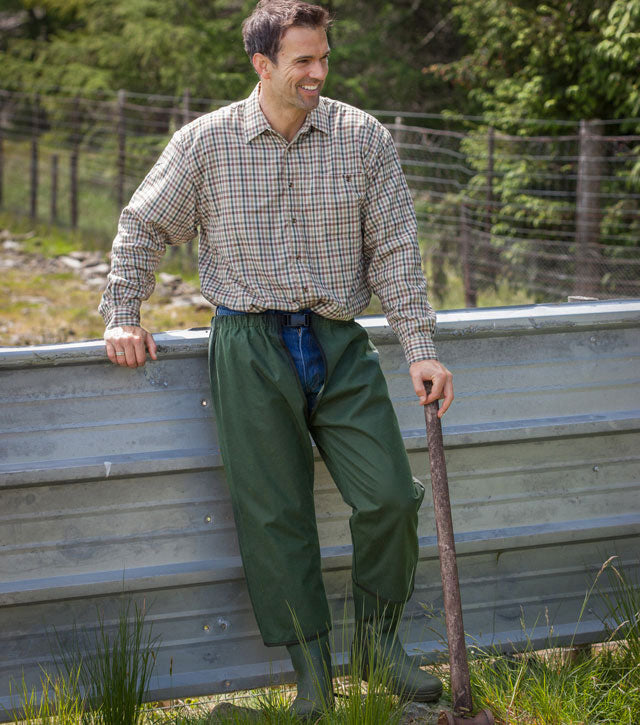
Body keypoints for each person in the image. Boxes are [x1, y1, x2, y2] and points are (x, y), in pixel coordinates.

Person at [100, 0, 453, 717]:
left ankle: (381, 646)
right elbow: (141, 225)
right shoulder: (206, 143)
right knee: (275, 517)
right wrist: (121, 314)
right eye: (303, 61)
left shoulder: (362, 138)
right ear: (262, 64)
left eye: (324, 57)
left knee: (389, 495)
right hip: (248, 342)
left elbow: (395, 249)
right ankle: (314, 678)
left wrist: (420, 348)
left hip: (337, 338)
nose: (319, 72)